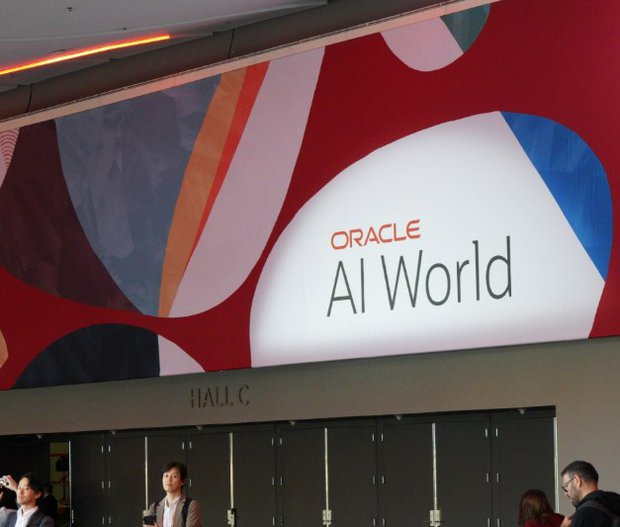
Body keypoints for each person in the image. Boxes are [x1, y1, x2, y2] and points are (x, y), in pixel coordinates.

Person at [560, 460, 620, 527]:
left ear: (577, 480)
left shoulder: (584, 515)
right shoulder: (616, 500)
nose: (566, 493)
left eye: (566, 486)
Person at [143, 461, 201, 527]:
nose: (169, 480)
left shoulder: (191, 505)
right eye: (166, 476)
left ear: (182, 481)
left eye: (174, 476)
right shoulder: (154, 507)